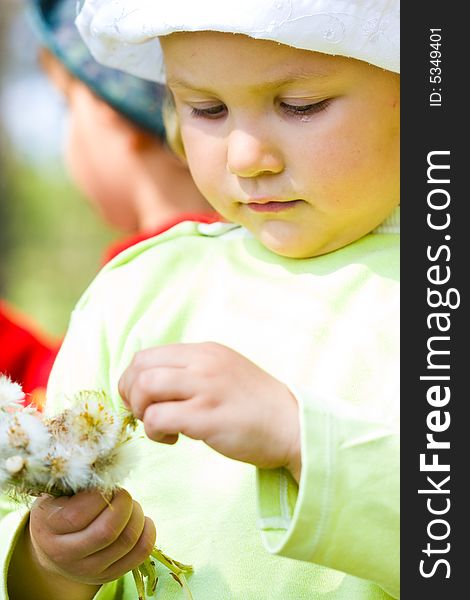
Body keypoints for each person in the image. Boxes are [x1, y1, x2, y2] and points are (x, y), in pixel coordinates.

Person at [3, 0, 400, 598]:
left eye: (301, 106)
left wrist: (299, 439)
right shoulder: (137, 289)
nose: (246, 157)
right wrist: (49, 561)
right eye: (206, 109)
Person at [0, 0, 214, 402]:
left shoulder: (149, 277)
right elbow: (53, 374)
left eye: (67, 106)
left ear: (110, 110)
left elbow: (68, 410)